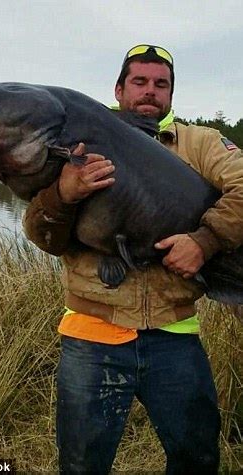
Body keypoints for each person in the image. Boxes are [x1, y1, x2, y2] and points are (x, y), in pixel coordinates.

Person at [23, 45, 243, 474]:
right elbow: (42, 234)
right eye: (139, 82)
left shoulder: (199, 143)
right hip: (91, 334)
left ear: (172, 94)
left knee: (197, 457)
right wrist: (63, 194)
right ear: (119, 89)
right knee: (83, 465)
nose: (150, 92)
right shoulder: (73, 139)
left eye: (161, 84)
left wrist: (205, 240)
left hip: (174, 334)